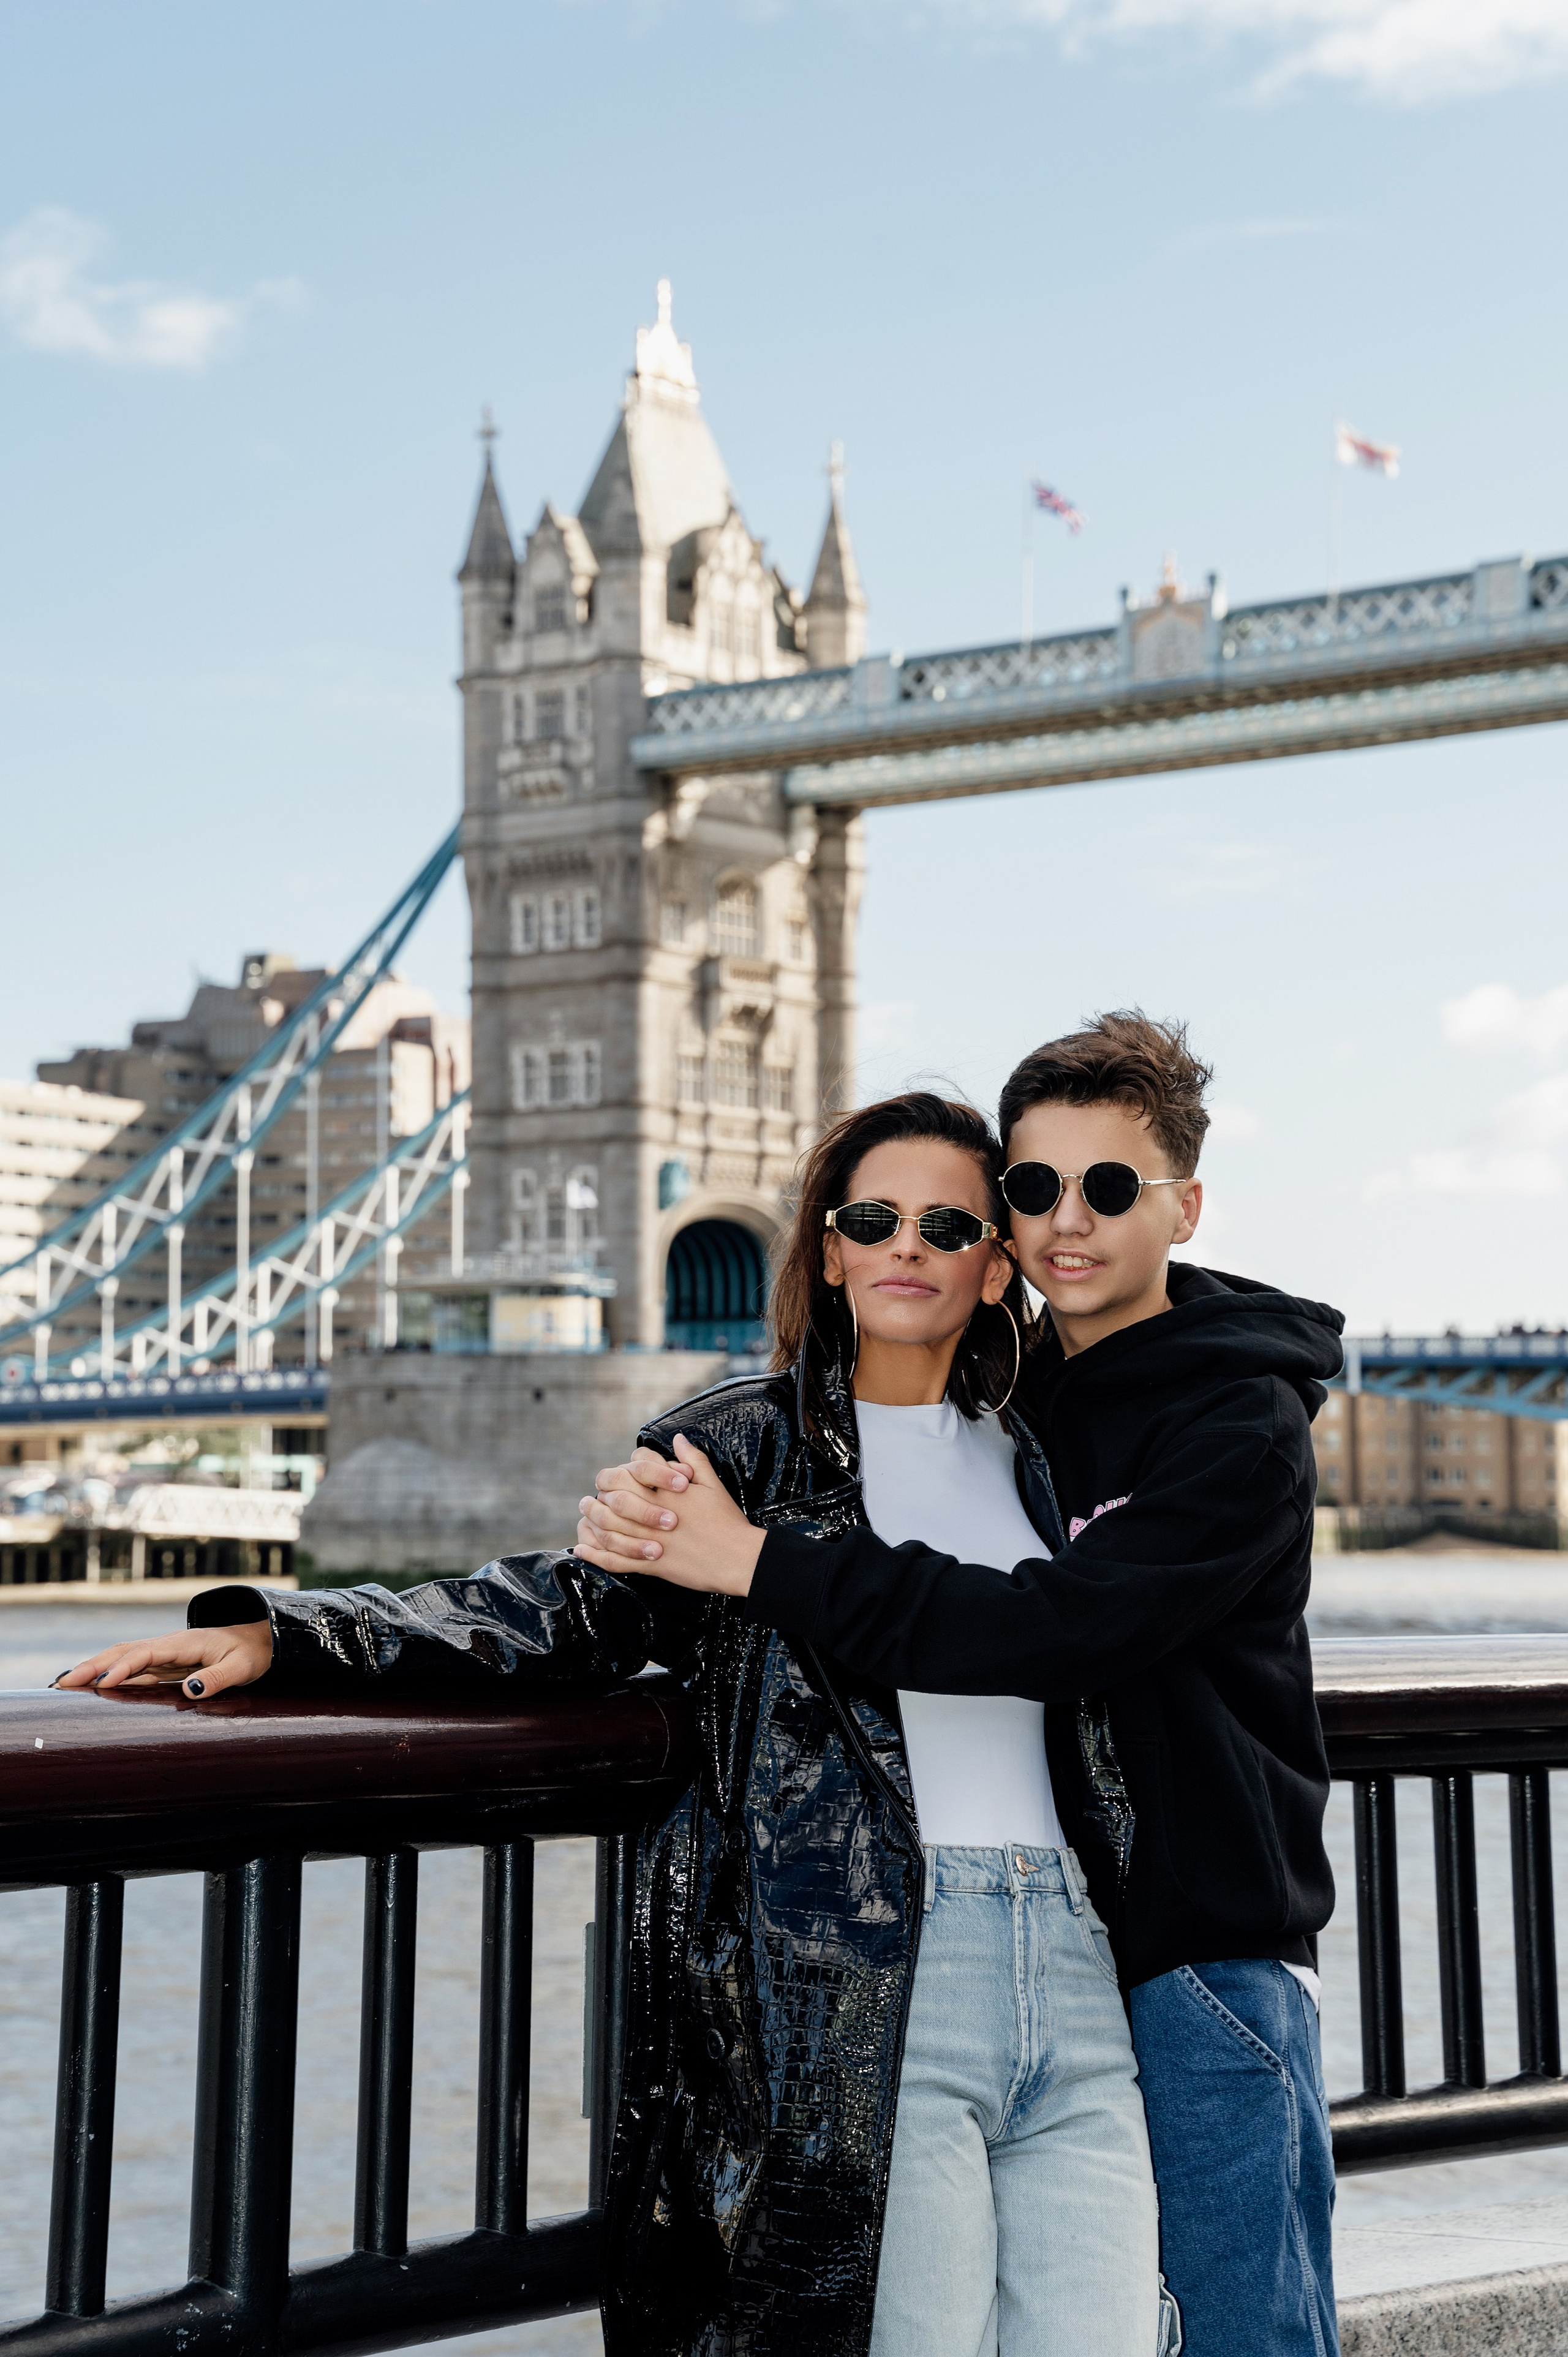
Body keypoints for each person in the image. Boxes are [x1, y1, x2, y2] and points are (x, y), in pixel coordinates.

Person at [59, 1091, 1170, 2357]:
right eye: (872, 1216)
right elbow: (559, 1608)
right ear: (828, 1249)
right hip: (874, 1976)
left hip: (1073, 1966)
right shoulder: (740, 1449)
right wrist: (297, 1632)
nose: (905, 1242)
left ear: (992, 1264)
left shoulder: (1042, 1458)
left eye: (945, 1221)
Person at [577, 1014, 1345, 2357]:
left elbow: (1047, 1629)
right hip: (959, 1954)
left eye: (1108, 1188)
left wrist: (764, 1566)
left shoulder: (1232, 1422)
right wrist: (286, 1636)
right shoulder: (983, 1416)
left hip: (1192, 1949)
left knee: (1236, 2336)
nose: (1065, 1220)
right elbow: (562, 1600)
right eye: (1032, 1188)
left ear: (1182, 1206)